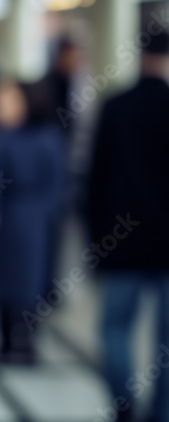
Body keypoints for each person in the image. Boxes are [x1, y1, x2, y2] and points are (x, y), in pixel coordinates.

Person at [86, 26, 169, 422]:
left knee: (114, 328)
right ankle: (161, 411)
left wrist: (94, 238)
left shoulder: (115, 106)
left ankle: (124, 405)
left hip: (121, 240)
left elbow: (95, 178)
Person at [0, 79, 65, 364]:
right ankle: (13, 339)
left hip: (27, 219)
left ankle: (21, 340)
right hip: (23, 219)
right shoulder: (14, 138)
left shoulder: (39, 138)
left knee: (26, 282)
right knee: (16, 281)